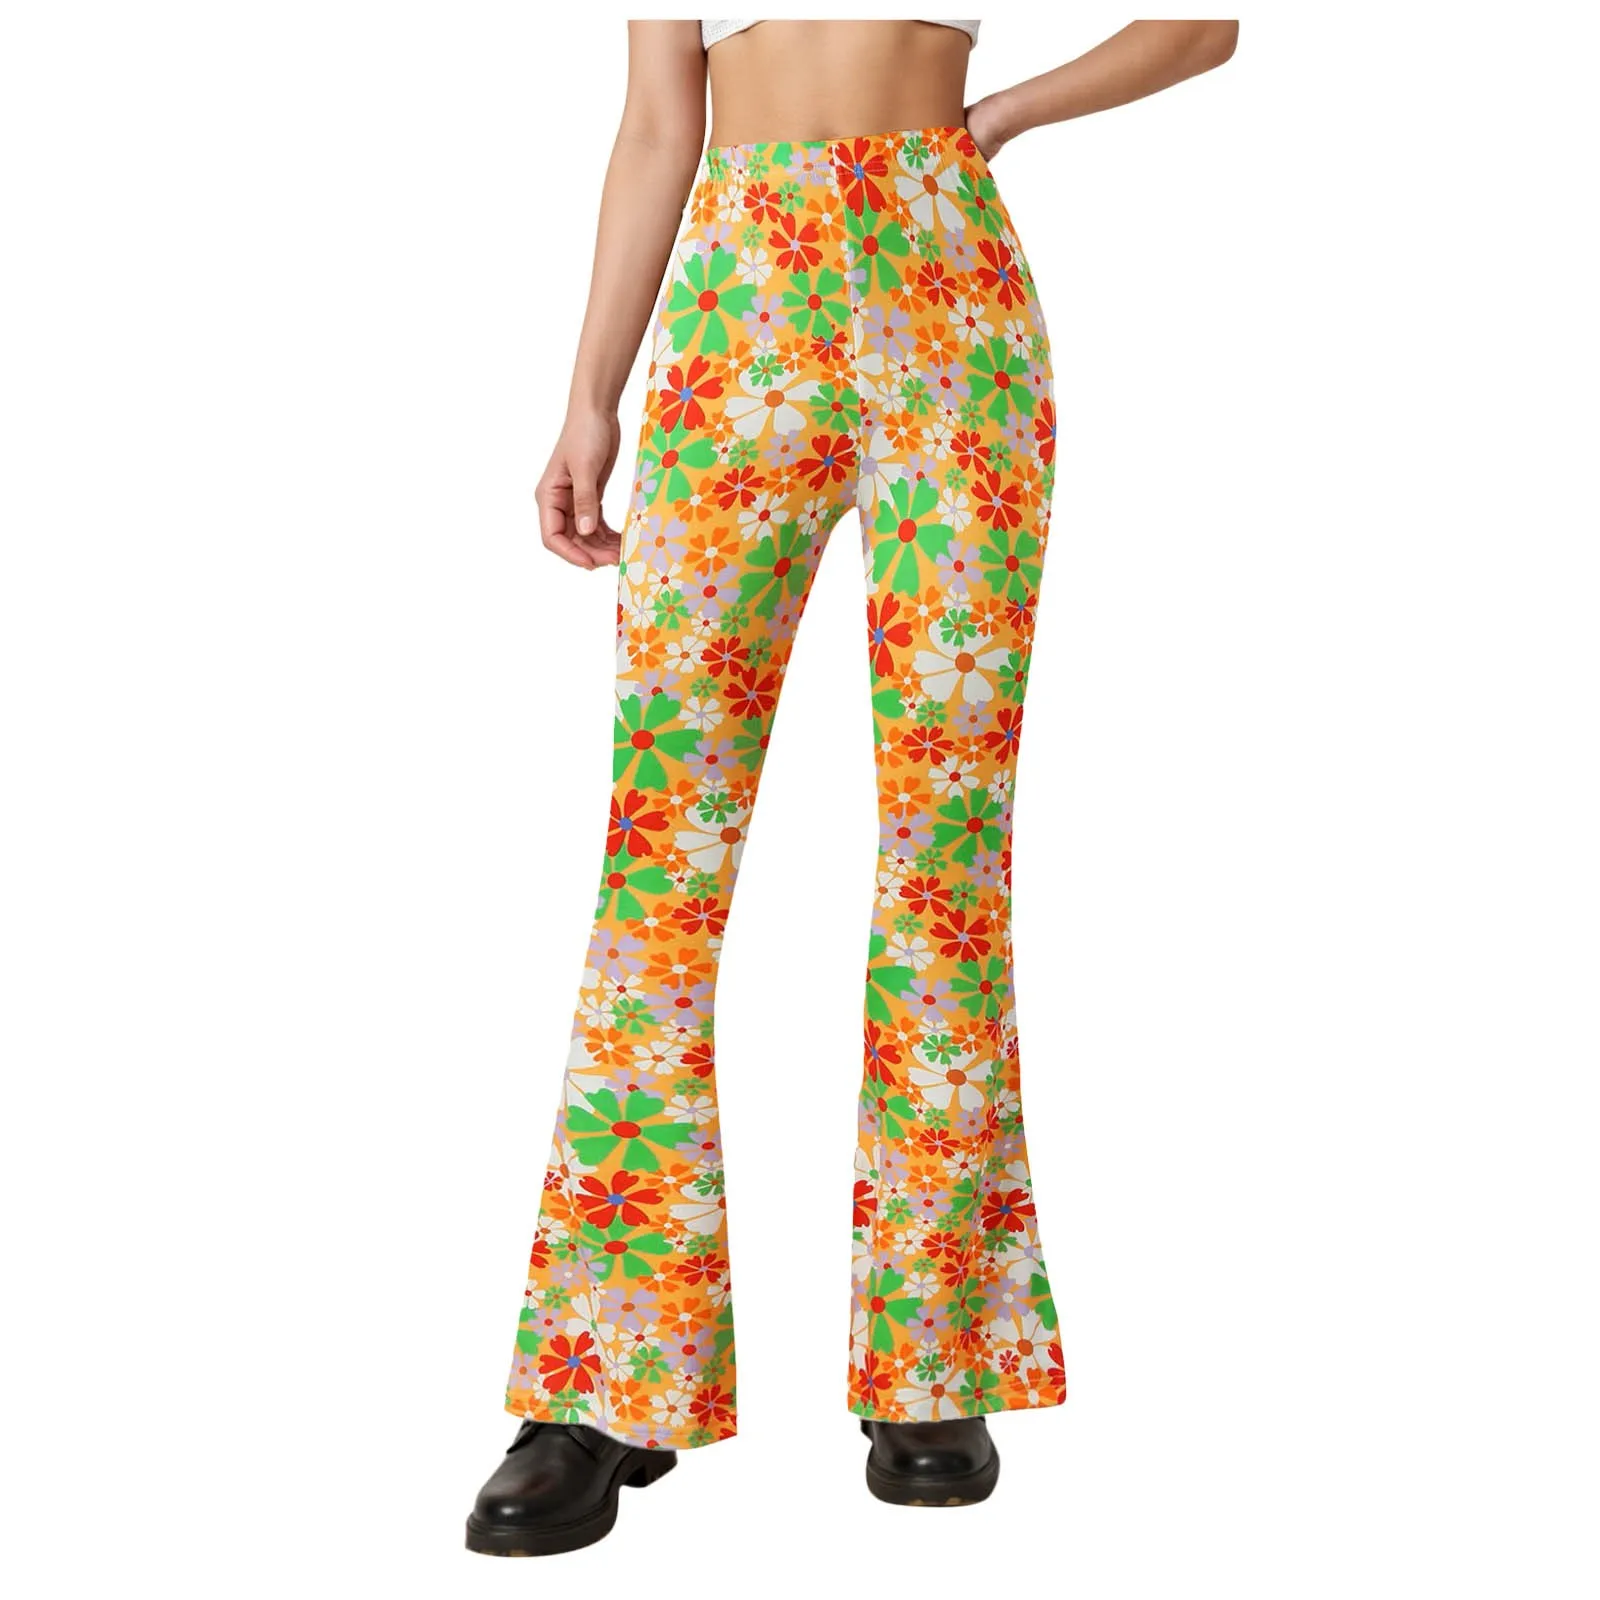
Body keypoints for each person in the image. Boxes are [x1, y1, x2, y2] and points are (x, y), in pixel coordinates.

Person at [465, 16, 1239, 1557]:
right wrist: (590, 396)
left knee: (947, 850)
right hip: (737, 302)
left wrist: (1001, 116)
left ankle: (935, 1358)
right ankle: (607, 1380)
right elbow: (657, 122)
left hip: (949, 296)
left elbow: (1202, 23)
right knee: (661, 860)